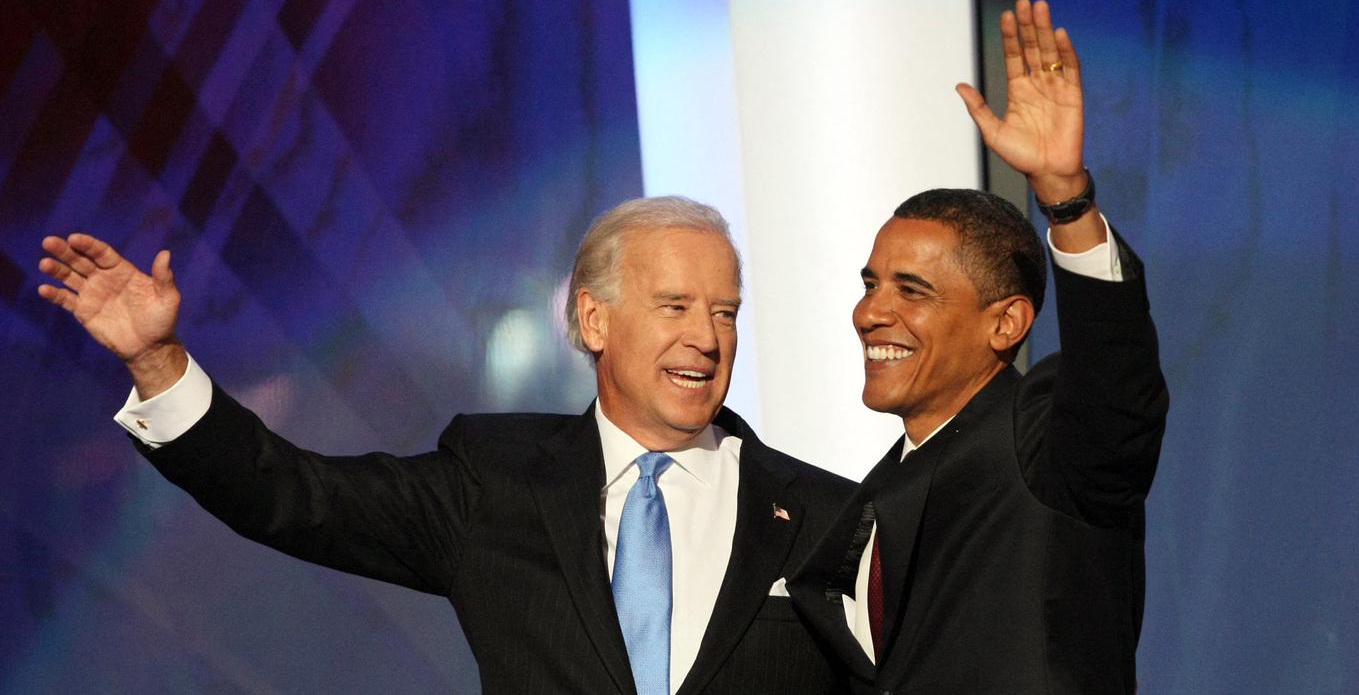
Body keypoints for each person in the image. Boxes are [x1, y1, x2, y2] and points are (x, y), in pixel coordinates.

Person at [37, 196, 855, 694]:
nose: (707, 339)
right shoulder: (494, 483)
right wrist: (156, 361)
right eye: (675, 306)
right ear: (594, 319)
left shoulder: (825, 514)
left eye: (725, 311)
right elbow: (293, 495)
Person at [787, 0, 1169, 693]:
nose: (871, 312)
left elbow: (1117, 379)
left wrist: (1067, 200)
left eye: (912, 291)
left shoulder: (1043, 444)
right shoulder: (871, 496)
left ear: (1007, 323)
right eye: (871, 284)